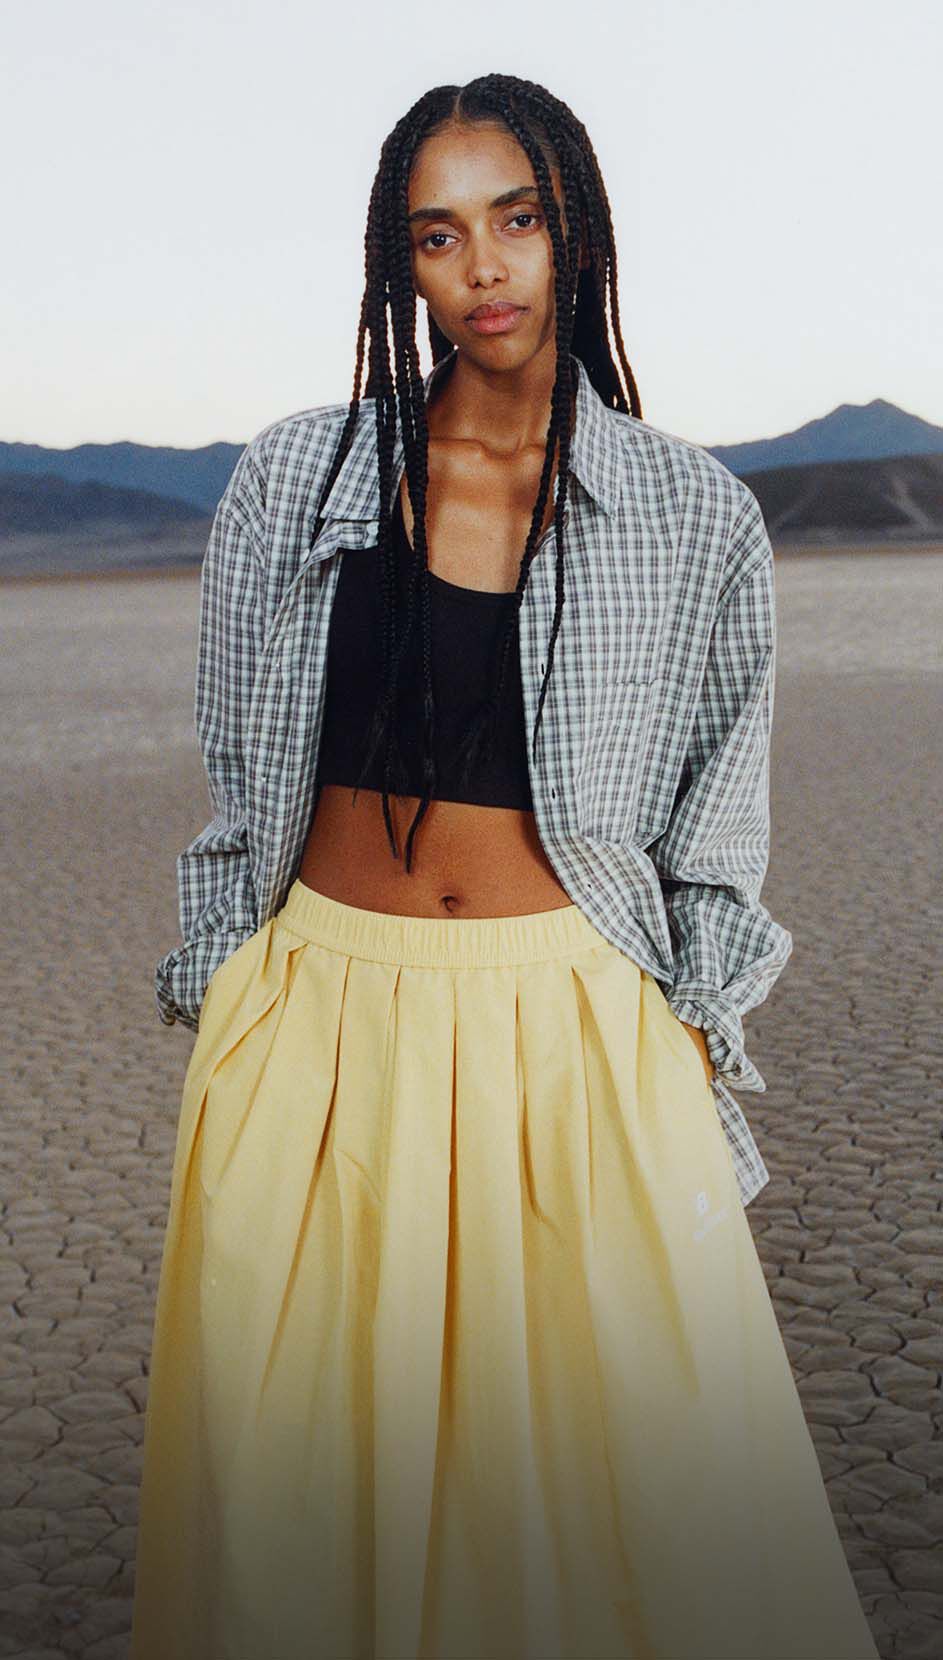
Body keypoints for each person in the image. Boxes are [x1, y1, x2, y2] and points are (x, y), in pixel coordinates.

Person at [130, 72, 880, 1660]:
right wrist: (231, 984)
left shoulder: (694, 518)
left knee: (640, 1523)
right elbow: (234, 768)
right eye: (438, 233)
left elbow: (716, 834)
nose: (484, 267)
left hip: (579, 1042)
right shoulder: (290, 481)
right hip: (316, 1028)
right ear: (397, 266)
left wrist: (682, 1036)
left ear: (577, 230)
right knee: (301, 1518)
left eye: (517, 219)